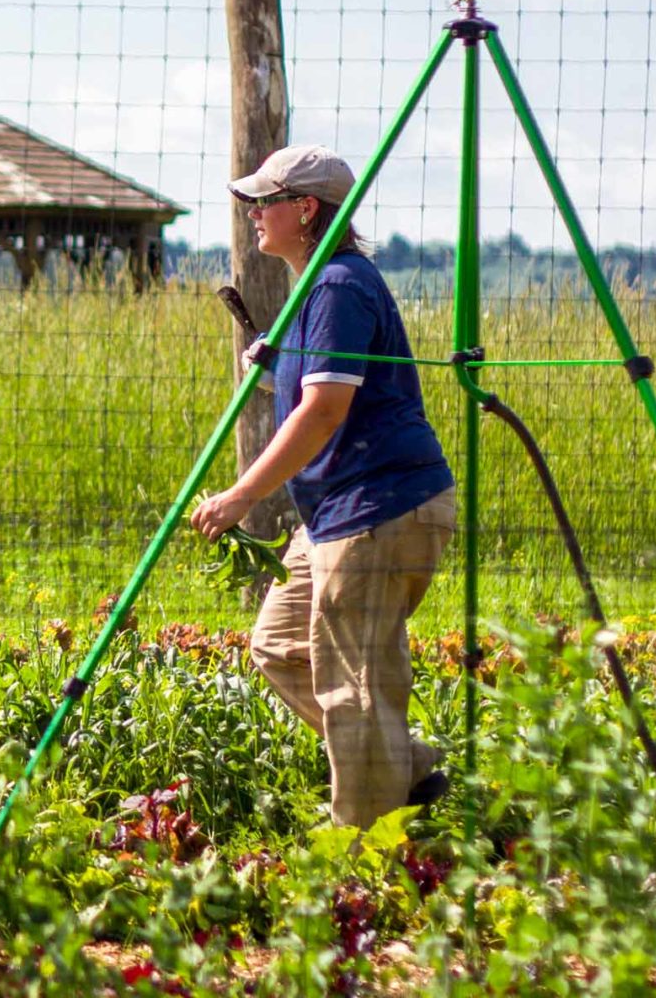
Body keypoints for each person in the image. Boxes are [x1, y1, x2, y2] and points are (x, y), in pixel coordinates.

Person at [190, 145, 458, 828]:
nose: (252, 213)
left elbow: (325, 409)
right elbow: (321, 377)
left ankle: (363, 863)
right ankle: (402, 766)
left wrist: (241, 496)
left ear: (304, 209)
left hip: (379, 507)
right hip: (341, 512)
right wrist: (281, 356)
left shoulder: (339, 284)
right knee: (280, 644)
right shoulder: (320, 289)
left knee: (353, 689)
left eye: (265, 200)